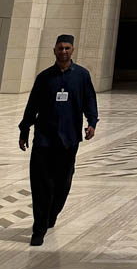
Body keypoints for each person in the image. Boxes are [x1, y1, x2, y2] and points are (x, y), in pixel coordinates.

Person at [18, 34, 98, 246]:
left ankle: (51, 213)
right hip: (44, 138)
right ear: (54, 50)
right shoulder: (44, 77)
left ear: (72, 51)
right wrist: (24, 129)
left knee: (63, 183)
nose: (63, 51)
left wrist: (92, 121)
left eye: (67, 48)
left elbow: (90, 99)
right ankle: (39, 227)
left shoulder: (81, 76)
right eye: (60, 48)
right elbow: (32, 104)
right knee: (40, 183)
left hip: (69, 139)